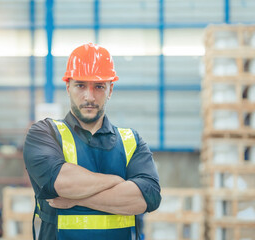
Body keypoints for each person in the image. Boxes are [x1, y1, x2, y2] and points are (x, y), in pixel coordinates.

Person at [23, 43, 161, 240]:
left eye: (98, 86)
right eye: (80, 85)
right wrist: (117, 181)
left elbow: (148, 197)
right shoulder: (44, 133)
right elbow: (60, 183)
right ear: (68, 87)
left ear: (110, 89)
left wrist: (78, 198)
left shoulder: (131, 140)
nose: (89, 96)